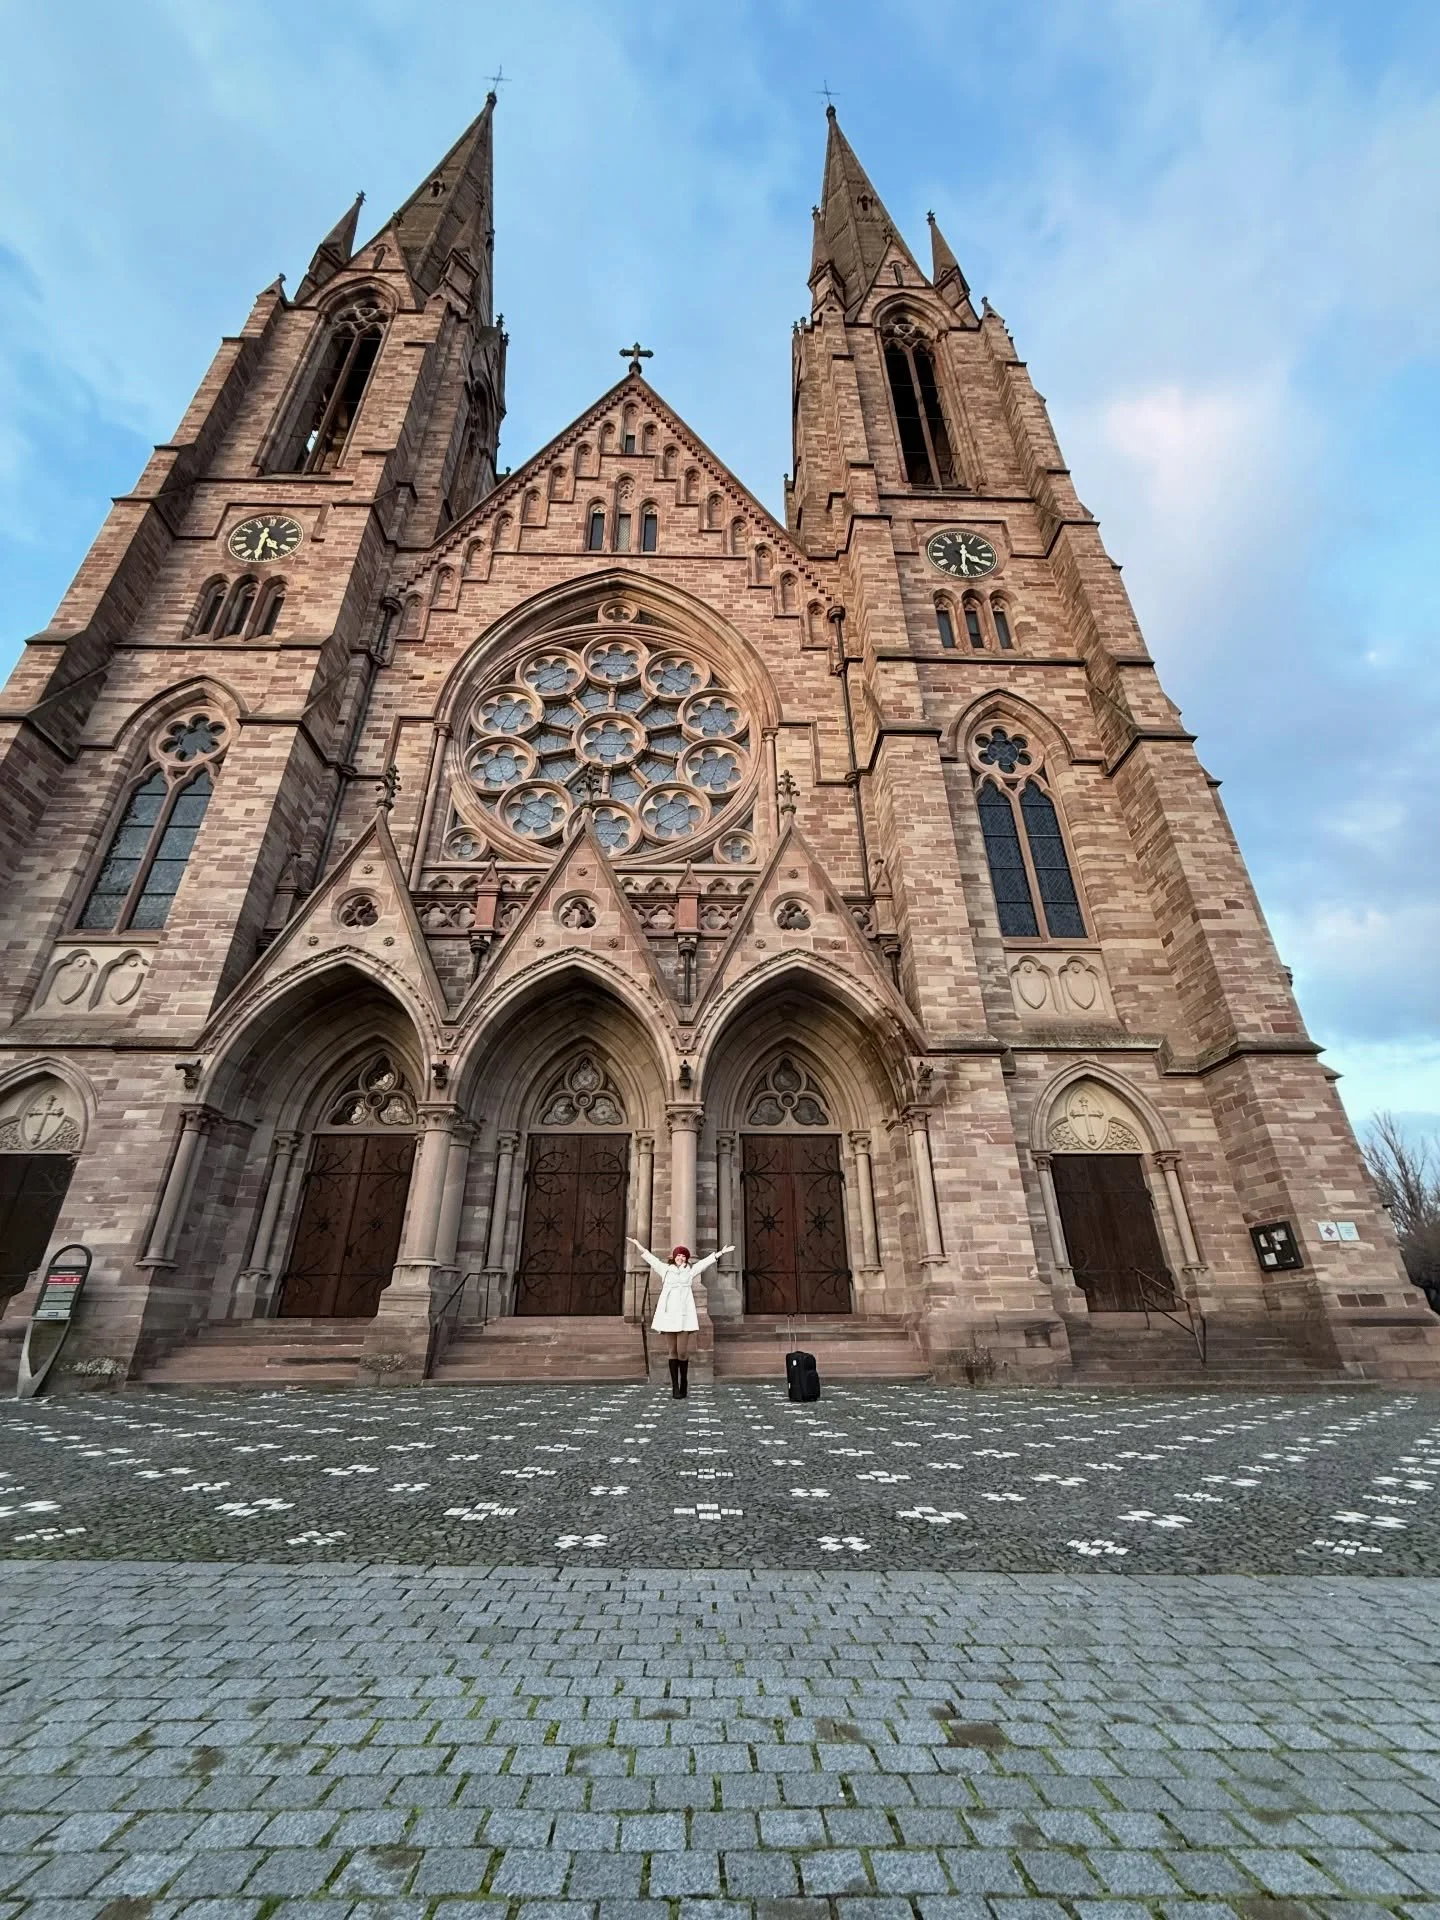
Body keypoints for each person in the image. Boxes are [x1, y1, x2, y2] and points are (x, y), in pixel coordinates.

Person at [629, 1238, 733, 1397]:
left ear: (686, 1259)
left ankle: (684, 1380)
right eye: (678, 1255)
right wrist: (638, 1245)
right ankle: (675, 1386)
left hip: (684, 1316)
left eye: (683, 1256)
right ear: (674, 1257)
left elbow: (705, 1263)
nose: (681, 1258)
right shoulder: (665, 1269)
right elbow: (651, 1258)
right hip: (669, 1315)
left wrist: (720, 1253)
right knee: (672, 1352)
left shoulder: (690, 1271)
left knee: (682, 1352)